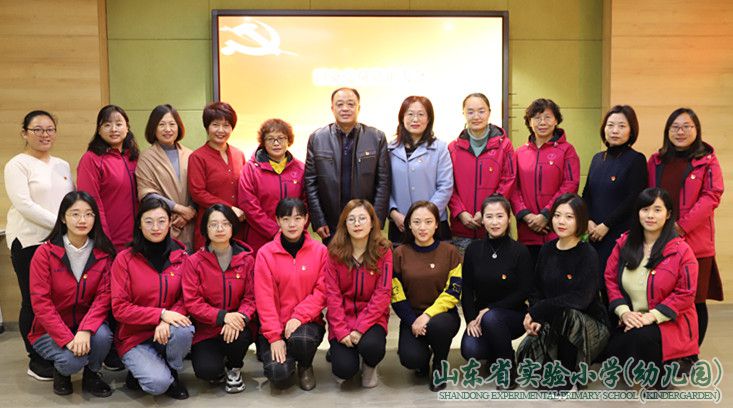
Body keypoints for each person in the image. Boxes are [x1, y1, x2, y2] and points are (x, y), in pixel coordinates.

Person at [604, 188, 699, 387]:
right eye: (645, 209)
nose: (650, 216)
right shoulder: (624, 243)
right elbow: (610, 279)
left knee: (639, 338)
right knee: (613, 348)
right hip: (632, 319)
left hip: (667, 322)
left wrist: (651, 316)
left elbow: (686, 293)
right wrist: (624, 312)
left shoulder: (682, 251)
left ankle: (665, 374)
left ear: (668, 214)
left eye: (657, 210)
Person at [4, 110, 74, 380]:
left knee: (56, 301)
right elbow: (24, 204)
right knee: (33, 301)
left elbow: (70, 202)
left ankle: (53, 349)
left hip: (59, 243)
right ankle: (35, 359)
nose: (45, 134)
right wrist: (60, 225)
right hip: (29, 241)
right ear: (25, 133)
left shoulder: (62, 165)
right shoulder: (17, 164)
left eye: (50, 129)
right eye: (38, 129)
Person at [647, 108, 723, 346]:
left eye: (686, 126)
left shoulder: (707, 160)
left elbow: (712, 196)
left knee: (696, 300)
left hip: (695, 243)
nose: (680, 132)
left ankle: (691, 351)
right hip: (660, 240)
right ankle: (671, 348)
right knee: (665, 298)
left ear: (696, 130)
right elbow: (647, 196)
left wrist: (682, 226)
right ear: (667, 131)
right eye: (675, 127)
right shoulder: (656, 161)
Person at [517, 194, 609, 391]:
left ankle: (569, 375)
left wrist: (539, 310)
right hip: (553, 321)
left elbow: (581, 299)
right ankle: (553, 367)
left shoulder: (588, 254)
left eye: (569, 217)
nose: (561, 221)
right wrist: (536, 316)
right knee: (525, 357)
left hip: (587, 325)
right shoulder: (546, 250)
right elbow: (536, 290)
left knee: (569, 314)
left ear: (580, 220)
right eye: (557, 215)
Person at [28, 192, 115, 397]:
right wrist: (67, 339)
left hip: (86, 323)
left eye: (88, 214)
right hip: (49, 330)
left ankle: (92, 375)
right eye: (75, 214)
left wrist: (85, 329)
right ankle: (62, 372)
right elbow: (41, 303)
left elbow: (104, 297)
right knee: (72, 360)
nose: (82, 220)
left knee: (103, 336)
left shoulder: (103, 254)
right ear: (62, 218)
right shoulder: (44, 254)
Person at [111, 197, 194, 399]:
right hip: (134, 336)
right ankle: (146, 371)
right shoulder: (124, 259)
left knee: (184, 330)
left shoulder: (182, 257)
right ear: (139, 224)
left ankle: (172, 371)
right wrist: (161, 314)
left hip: (167, 332)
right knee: (157, 385)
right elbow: (120, 308)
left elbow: (187, 298)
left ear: (170, 223)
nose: (155, 227)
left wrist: (167, 320)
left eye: (161, 221)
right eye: (148, 222)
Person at [254, 198, 329, 391]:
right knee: (278, 375)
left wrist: (298, 316)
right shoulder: (265, 254)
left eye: (297, 218)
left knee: (301, 341)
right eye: (286, 219)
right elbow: (264, 299)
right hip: (275, 326)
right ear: (278, 221)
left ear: (306, 219)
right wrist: (274, 337)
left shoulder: (320, 251)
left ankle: (305, 365)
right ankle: (287, 358)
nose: (292, 224)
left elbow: (322, 291)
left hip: (306, 323)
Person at [460, 194, 532, 390]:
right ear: (482, 220)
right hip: (481, 316)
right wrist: (470, 319)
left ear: (509, 218)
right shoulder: (473, 250)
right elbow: (467, 288)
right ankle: (497, 351)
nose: (494, 222)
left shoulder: (520, 251)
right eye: (489, 217)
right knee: (471, 350)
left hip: (513, 315)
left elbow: (524, 290)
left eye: (500, 216)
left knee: (492, 318)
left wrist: (491, 309)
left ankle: (507, 368)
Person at [304, 87, 390, 244]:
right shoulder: (317, 138)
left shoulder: (376, 138)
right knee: (335, 259)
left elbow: (383, 183)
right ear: (332, 108)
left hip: (365, 221)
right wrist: (318, 219)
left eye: (350, 104)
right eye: (340, 104)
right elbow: (311, 184)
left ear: (358, 108)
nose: (345, 108)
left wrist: (376, 220)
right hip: (331, 222)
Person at [183, 204, 255, 393]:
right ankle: (218, 363)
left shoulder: (247, 260)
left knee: (240, 337)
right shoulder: (193, 262)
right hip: (206, 329)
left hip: (237, 326)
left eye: (225, 223)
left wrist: (239, 317)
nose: (220, 228)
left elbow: (251, 297)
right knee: (207, 372)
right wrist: (223, 316)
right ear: (205, 229)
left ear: (233, 227)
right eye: (213, 224)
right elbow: (192, 302)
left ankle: (234, 368)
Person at [391, 201, 461, 391]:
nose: (422, 227)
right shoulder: (399, 253)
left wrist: (428, 315)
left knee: (437, 326)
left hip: (443, 316)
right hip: (412, 316)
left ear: (437, 224)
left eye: (428, 222)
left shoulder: (450, 252)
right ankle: (423, 360)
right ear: (409, 225)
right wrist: (413, 321)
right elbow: (396, 294)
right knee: (411, 359)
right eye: (417, 222)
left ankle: (440, 362)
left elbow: (453, 291)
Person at [325, 199, 392, 388]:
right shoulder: (334, 253)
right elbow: (332, 296)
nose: (357, 224)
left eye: (362, 218)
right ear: (344, 225)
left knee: (372, 347)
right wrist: (341, 331)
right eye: (351, 219)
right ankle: (348, 357)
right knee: (344, 370)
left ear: (372, 223)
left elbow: (383, 293)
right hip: (343, 319)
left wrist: (360, 328)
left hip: (373, 319)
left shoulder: (383, 251)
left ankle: (370, 365)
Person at [511, 99, 580, 266]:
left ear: (556, 120)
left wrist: (546, 215)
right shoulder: (519, 153)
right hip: (526, 231)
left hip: (556, 230)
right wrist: (526, 216)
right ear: (529, 122)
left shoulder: (567, 150)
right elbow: (513, 188)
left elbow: (570, 184)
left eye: (548, 117)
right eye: (536, 117)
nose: (542, 122)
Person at [583, 105, 647, 276]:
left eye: (622, 126)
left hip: (620, 234)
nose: (615, 130)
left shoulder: (636, 159)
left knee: (613, 282)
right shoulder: (597, 158)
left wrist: (606, 225)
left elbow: (633, 199)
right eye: (610, 125)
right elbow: (587, 193)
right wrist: (588, 221)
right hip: (593, 233)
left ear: (631, 131)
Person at [448, 93, 514, 253]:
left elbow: (508, 180)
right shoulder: (453, 148)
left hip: (495, 227)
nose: (476, 116)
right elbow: (448, 185)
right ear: (463, 113)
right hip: (462, 228)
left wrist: (485, 212)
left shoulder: (504, 146)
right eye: (470, 112)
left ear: (489, 112)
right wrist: (460, 212)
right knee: (464, 269)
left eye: (481, 111)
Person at [388, 96, 453, 244]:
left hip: (434, 223)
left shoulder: (440, 148)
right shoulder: (389, 149)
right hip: (400, 223)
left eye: (421, 114)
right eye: (410, 114)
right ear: (402, 118)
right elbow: (383, 186)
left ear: (429, 119)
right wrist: (393, 213)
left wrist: (427, 217)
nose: (415, 119)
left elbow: (445, 186)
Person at [77, 104, 139, 252]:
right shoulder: (91, 159)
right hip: (109, 241)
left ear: (127, 127)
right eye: (107, 125)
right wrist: (103, 238)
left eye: (119, 124)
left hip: (137, 240)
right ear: (99, 130)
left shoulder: (134, 157)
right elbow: (90, 202)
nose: (113, 129)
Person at [238, 118, 306, 254]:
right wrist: (274, 230)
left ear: (289, 141)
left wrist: (295, 228)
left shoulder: (300, 169)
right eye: (270, 139)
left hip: (294, 237)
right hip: (259, 237)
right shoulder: (251, 169)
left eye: (281, 138)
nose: (276, 143)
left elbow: (306, 202)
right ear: (263, 142)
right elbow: (248, 205)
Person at [136, 104, 196, 251]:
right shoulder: (146, 157)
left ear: (178, 127)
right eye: (161, 124)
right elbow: (147, 194)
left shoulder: (191, 155)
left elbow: (198, 188)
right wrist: (180, 210)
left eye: (172, 124)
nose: (167, 129)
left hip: (191, 224)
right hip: (161, 225)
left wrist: (190, 212)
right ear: (153, 128)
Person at [188, 101, 247, 251]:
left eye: (226, 125)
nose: (221, 130)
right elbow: (197, 193)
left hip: (237, 226)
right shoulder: (197, 157)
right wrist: (230, 209)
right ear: (207, 127)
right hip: (211, 226)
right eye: (215, 125)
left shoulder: (239, 154)